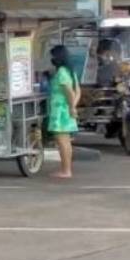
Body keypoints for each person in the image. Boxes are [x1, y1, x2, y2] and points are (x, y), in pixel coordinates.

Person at [47, 44, 79, 179]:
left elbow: (70, 93)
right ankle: (66, 169)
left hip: (60, 112)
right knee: (66, 142)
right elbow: (78, 92)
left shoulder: (61, 73)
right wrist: (73, 106)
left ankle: (66, 171)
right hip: (66, 110)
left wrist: (71, 107)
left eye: (52, 56)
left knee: (62, 142)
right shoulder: (71, 71)